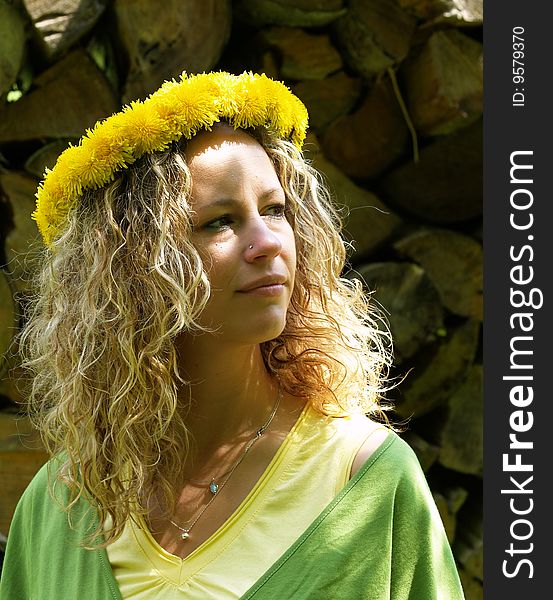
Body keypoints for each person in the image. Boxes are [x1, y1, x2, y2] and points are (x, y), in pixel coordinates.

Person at [0, 71, 465, 599]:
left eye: (275, 210)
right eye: (220, 221)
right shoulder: (59, 506)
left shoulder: (364, 481)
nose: (268, 242)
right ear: (129, 271)